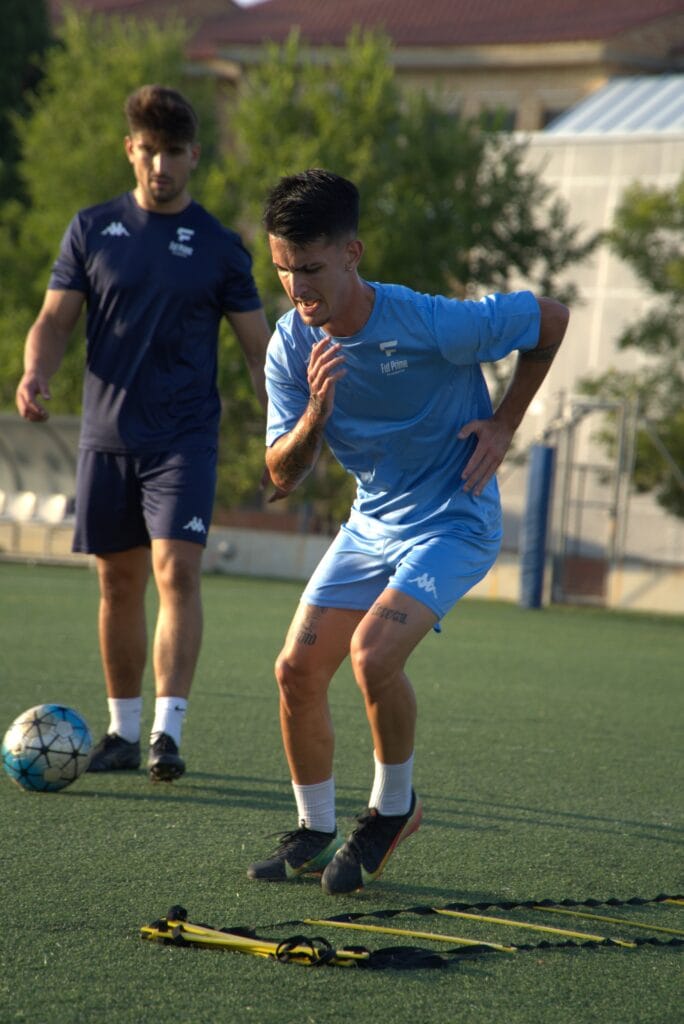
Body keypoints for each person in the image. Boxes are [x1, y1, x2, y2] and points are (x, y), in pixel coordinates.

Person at [247, 168, 570, 894]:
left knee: (371, 654)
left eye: (312, 270)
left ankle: (394, 811)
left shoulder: (429, 322)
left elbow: (551, 319)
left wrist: (506, 422)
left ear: (353, 254)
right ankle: (315, 826)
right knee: (294, 671)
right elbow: (280, 473)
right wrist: (313, 418)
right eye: (283, 271)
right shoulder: (290, 347)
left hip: (454, 518)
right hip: (372, 524)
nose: (298, 291)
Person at [15, 85, 270, 782]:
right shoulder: (92, 229)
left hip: (184, 440)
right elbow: (55, 322)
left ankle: (166, 734)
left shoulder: (221, 248)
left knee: (176, 571)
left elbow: (257, 350)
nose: (160, 166)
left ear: (194, 156)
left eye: (174, 153)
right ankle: (122, 732)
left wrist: (285, 438)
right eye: (148, 151)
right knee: (119, 586)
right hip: (107, 439)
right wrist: (35, 372)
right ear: (130, 149)